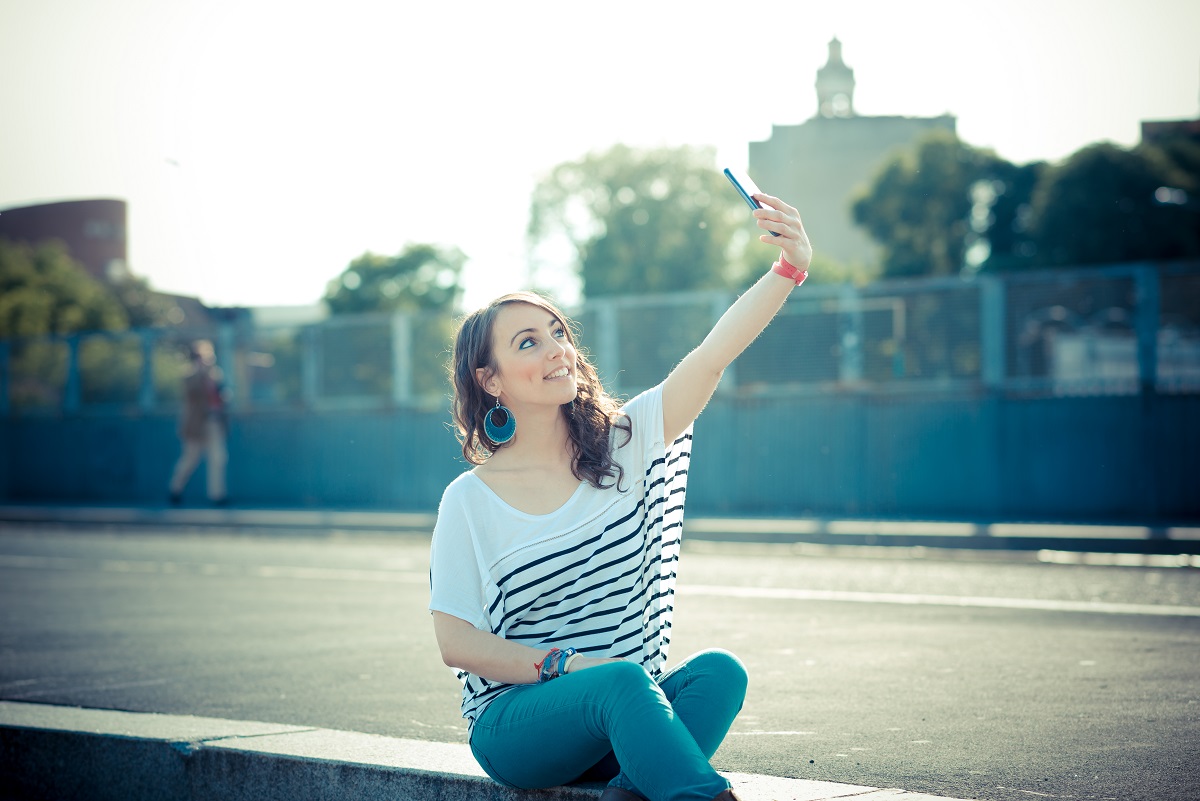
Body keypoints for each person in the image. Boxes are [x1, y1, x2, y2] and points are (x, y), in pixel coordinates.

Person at [428, 191, 813, 801]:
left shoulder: (623, 446)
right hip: (518, 728)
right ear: (490, 380)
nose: (557, 348)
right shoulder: (470, 501)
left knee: (718, 672)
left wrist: (788, 270)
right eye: (528, 342)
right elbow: (457, 645)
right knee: (622, 682)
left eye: (557, 333)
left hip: (620, 716)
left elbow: (710, 358)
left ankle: (634, 791)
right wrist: (566, 666)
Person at [167, 340, 228, 506]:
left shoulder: (216, 375)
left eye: (209, 357)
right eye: (203, 357)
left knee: (218, 458)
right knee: (190, 459)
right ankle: (175, 490)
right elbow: (191, 395)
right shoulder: (190, 375)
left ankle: (217, 496)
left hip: (213, 423)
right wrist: (201, 374)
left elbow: (220, 397)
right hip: (196, 425)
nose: (207, 361)